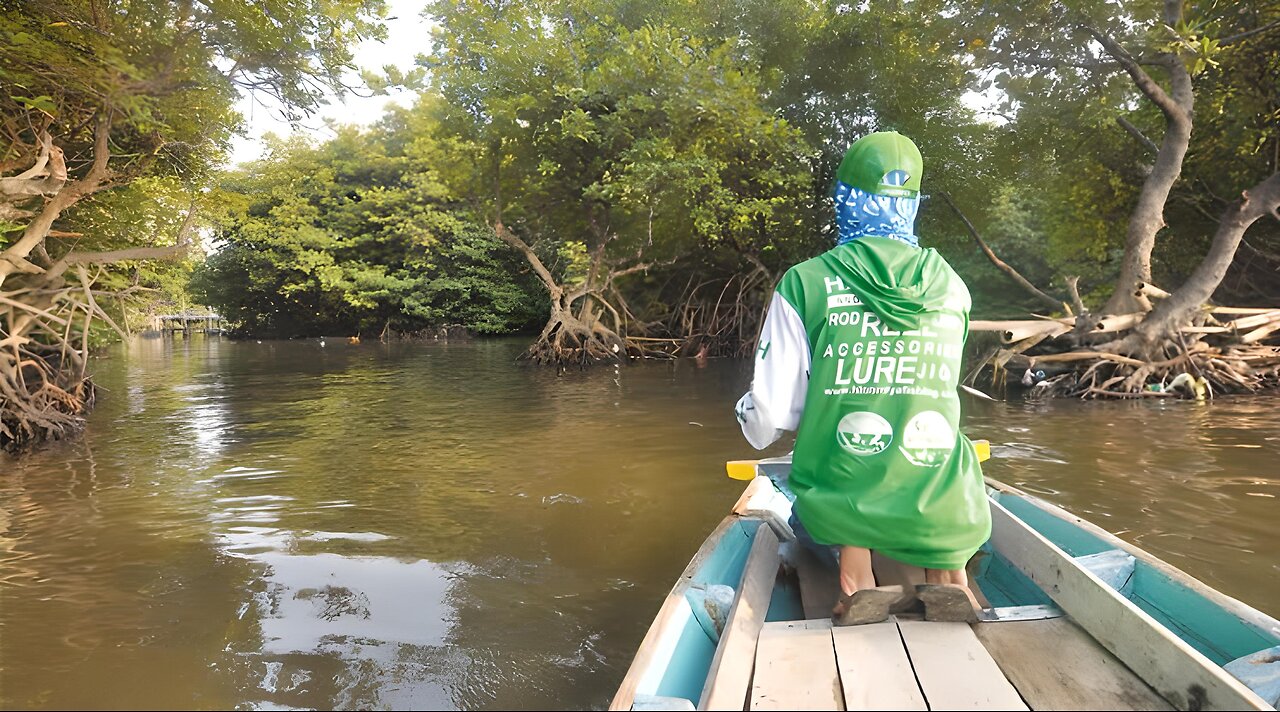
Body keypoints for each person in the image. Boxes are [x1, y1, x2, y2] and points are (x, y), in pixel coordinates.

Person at [734, 131, 990, 625]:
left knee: (814, 514)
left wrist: (746, 414)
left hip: (847, 495)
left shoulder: (806, 281)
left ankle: (858, 578)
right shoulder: (951, 285)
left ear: (844, 198)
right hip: (943, 496)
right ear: (912, 202)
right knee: (943, 482)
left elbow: (769, 416)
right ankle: (947, 574)